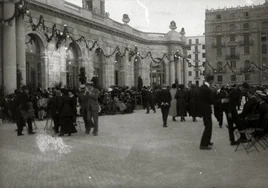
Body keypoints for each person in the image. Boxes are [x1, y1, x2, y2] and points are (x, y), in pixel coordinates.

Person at [199, 75, 214, 150]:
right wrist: (221, 101)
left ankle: (207, 141)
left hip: (204, 109)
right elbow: (211, 100)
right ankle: (203, 144)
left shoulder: (202, 87)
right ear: (211, 81)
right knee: (208, 126)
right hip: (206, 110)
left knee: (208, 126)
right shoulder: (207, 89)